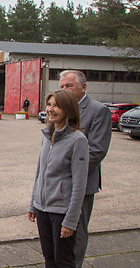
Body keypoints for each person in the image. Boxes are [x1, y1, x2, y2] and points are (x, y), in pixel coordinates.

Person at [28, 90, 89, 267]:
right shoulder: (48, 135)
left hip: (61, 211)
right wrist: (34, 203)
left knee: (63, 260)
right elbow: (39, 173)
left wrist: (71, 220)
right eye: (49, 105)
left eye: (56, 105)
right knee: (49, 257)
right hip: (42, 209)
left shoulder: (78, 140)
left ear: (68, 109)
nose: (51, 109)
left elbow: (79, 185)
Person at [59, 70, 111, 268]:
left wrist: (65, 170)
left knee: (77, 232)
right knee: (60, 232)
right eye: (62, 86)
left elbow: (97, 151)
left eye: (69, 85)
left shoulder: (98, 111)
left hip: (81, 185)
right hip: (59, 184)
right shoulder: (61, 109)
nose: (64, 89)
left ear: (83, 87)